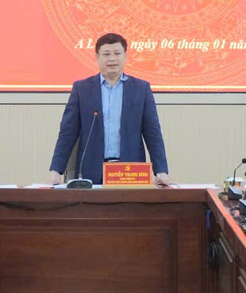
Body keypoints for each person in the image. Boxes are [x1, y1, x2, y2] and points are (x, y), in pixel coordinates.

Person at [48, 33, 170, 186]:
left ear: (125, 56)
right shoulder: (82, 89)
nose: (112, 59)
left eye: (117, 53)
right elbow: (67, 133)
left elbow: (153, 133)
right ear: (97, 57)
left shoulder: (141, 89)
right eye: (106, 54)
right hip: (91, 170)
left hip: (130, 172)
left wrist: (161, 171)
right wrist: (56, 171)